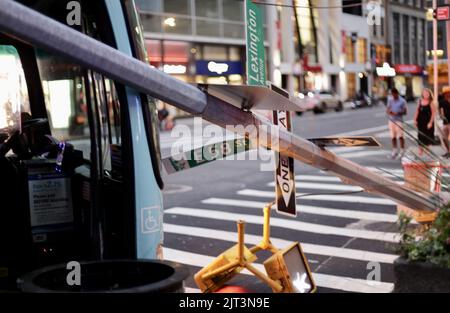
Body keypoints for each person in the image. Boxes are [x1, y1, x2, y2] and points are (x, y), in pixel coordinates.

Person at [413, 88, 436, 157]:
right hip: (420, 122)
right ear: (422, 94)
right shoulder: (420, 101)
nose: (426, 94)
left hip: (428, 122)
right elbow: (417, 111)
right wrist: (415, 120)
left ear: (429, 94)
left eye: (427, 93)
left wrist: (430, 122)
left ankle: (427, 152)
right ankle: (420, 151)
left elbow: (433, 113)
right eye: (424, 93)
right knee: (420, 136)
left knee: (427, 137)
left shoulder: (431, 102)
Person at [386, 88, 408, 159]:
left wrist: (398, 112)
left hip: (399, 120)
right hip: (391, 120)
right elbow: (387, 109)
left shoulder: (402, 101)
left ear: (397, 93)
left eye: (394, 94)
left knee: (400, 136)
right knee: (393, 136)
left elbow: (405, 112)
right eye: (392, 94)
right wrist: (390, 112)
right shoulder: (390, 100)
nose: (393, 96)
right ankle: (394, 150)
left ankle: (402, 150)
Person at [439, 86, 450, 158]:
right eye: (446, 93)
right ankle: (448, 151)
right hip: (445, 122)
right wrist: (441, 116)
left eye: (449, 92)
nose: (448, 94)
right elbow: (439, 110)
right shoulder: (442, 101)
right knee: (444, 138)